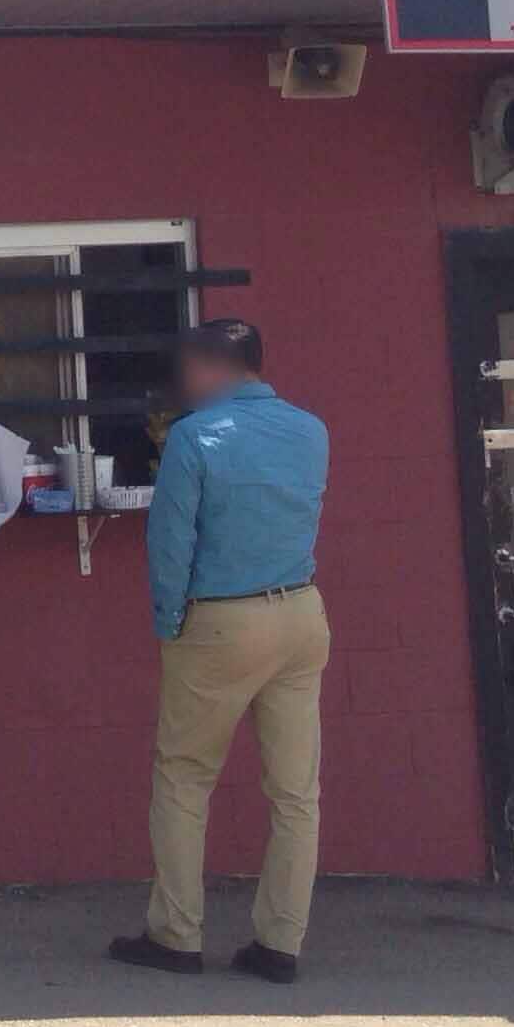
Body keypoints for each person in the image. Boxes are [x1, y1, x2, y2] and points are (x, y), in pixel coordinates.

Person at [107, 318, 331, 986]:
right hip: (301, 613)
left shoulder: (193, 436)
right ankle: (280, 944)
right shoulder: (311, 430)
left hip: (221, 621)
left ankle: (176, 934)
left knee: (184, 777)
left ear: (211, 368)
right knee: (295, 793)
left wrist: (168, 622)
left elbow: (171, 541)